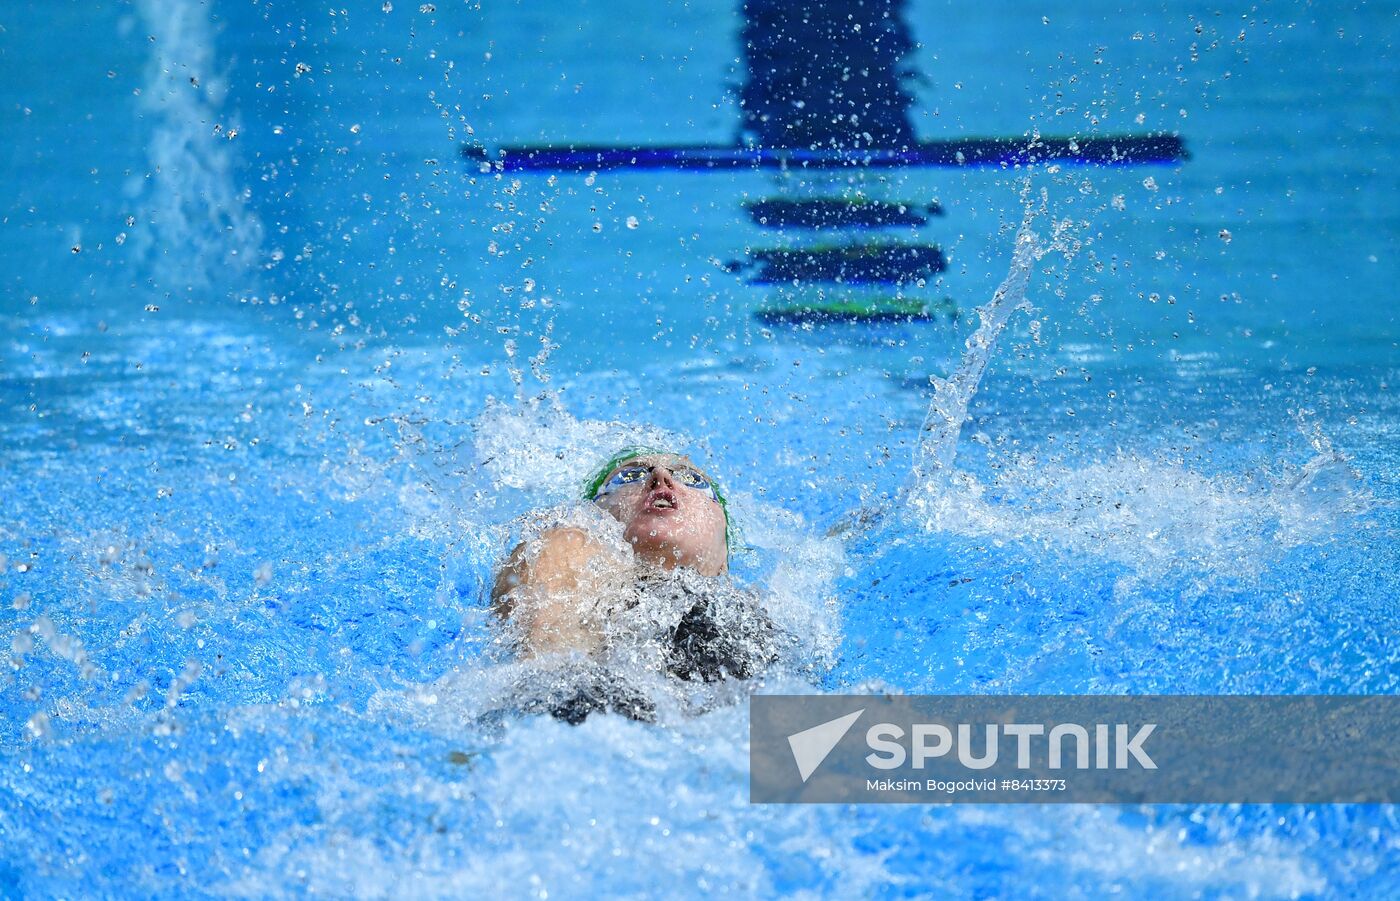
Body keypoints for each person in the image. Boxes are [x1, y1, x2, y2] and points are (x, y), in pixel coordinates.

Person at [490, 447, 780, 722]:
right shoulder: (567, 549)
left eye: (691, 479)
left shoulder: (766, 614)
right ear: (594, 516)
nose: (661, 478)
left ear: (725, 552)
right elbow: (546, 682)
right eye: (629, 476)